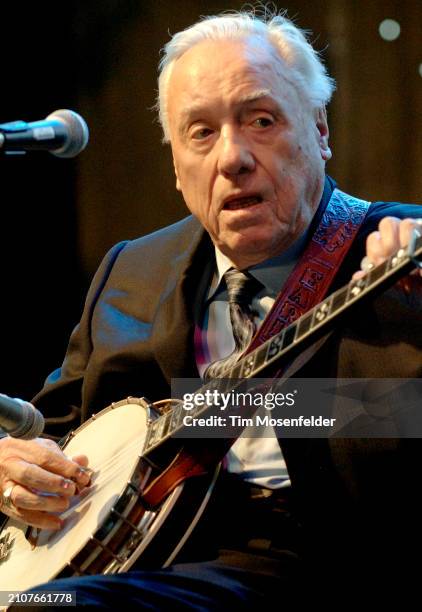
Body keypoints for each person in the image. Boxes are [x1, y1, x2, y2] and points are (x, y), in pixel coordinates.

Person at [1, 9, 421, 609]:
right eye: (201, 132)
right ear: (176, 165)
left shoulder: (406, 251)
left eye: (261, 120)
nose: (232, 157)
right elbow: (51, 434)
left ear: (320, 130)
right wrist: (11, 466)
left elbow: (400, 418)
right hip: (147, 562)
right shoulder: (134, 270)